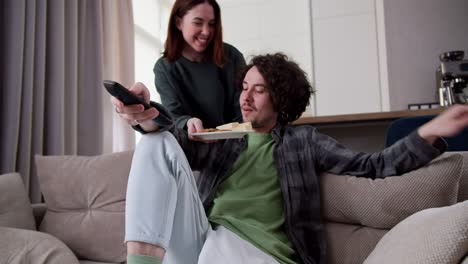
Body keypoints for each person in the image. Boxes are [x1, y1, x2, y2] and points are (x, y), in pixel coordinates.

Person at [113, 53, 468, 264]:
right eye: (244, 87)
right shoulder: (225, 136)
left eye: (259, 89)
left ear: (280, 99)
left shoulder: (303, 142)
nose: (245, 97)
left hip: (256, 251)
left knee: (218, 248)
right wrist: (145, 113)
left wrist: (430, 131)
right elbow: (174, 140)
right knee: (154, 142)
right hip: (205, 237)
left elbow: (374, 166)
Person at [153, 0, 245, 135]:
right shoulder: (164, 68)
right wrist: (187, 122)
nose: (206, 32)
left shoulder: (232, 56)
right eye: (198, 23)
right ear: (178, 23)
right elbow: (173, 116)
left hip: (236, 142)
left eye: (212, 24)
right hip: (190, 145)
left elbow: (243, 109)